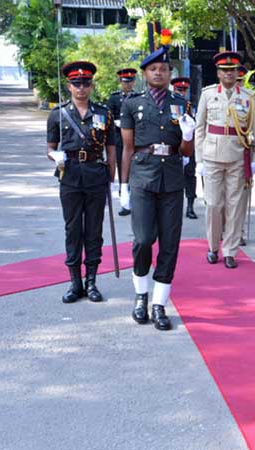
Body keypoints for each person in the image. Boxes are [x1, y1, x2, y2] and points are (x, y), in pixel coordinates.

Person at [119, 32, 195, 330]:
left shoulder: (181, 104)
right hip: (142, 176)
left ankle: (159, 303)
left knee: (169, 244)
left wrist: (188, 135)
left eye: (164, 69)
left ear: (169, 73)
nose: (159, 73)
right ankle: (141, 294)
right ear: (145, 73)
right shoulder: (132, 104)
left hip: (173, 179)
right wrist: (122, 185)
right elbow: (127, 147)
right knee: (142, 241)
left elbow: (186, 151)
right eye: (153, 69)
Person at [46, 61, 116, 303]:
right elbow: (50, 148)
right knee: (73, 229)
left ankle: (92, 281)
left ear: (92, 85)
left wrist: (113, 175)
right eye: (76, 84)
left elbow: (111, 147)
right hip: (70, 176)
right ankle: (75, 282)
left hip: (96, 175)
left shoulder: (104, 113)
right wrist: (54, 156)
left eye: (86, 83)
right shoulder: (58, 114)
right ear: (69, 86)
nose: (81, 88)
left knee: (94, 230)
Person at [195, 51, 255, 269]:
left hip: (238, 155)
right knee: (214, 204)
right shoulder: (207, 95)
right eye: (224, 71)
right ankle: (213, 246)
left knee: (236, 205)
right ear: (218, 73)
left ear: (237, 73)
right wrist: (199, 160)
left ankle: (230, 250)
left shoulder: (247, 97)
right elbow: (199, 129)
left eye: (232, 71)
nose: (228, 74)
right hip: (212, 156)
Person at [106, 68, 138, 216]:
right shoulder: (114, 99)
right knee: (122, 168)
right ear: (120, 82)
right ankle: (124, 202)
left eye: (130, 81)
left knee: (136, 170)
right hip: (119, 138)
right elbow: (107, 118)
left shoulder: (139, 97)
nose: (128, 84)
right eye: (125, 82)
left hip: (136, 138)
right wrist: (116, 123)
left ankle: (136, 200)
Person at [171, 76, 199, 220]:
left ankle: (190, 206)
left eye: (184, 90)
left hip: (188, 144)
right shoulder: (169, 104)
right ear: (174, 89)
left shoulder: (188, 105)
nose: (181, 92)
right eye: (179, 89)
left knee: (190, 175)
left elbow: (194, 127)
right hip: (174, 145)